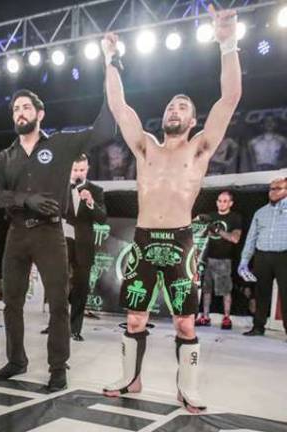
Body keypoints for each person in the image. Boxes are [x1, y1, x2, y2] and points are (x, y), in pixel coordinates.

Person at [101, 5, 242, 413]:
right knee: (134, 320)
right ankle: (131, 378)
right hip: (145, 241)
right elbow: (118, 106)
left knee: (184, 322)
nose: (173, 110)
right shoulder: (145, 146)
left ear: (194, 119)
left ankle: (187, 388)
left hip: (180, 241)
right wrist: (111, 59)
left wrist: (227, 41)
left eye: (182, 106)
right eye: (170, 106)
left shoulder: (199, 149)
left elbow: (230, 97)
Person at [0, 34, 117, 392]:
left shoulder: (60, 145)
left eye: (26, 108)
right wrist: (25, 201)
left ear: (40, 114)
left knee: (59, 302)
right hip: (17, 233)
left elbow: (106, 128)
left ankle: (58, 367)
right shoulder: (6, 156)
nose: (20, 113)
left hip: (48, 233)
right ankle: (17, 360)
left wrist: (111, 65)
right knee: (11, 302)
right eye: (15, 109)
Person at [64, 154, 107, 341]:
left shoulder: (96, 190)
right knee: (57, 284)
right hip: (61, 241)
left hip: (83, 245)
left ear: (87, 169)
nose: (78, 173)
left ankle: (75, 328)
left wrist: (90, 202)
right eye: (75, 170)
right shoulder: (59, 187)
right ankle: (55, 325)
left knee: (80, 286)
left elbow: (102, 218)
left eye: (82, 170)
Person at [238, 177, 287, 336]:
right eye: (271, 189)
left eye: (277, 188)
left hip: (283, 256)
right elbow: (251, 237)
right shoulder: (261, 212)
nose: (272, 192)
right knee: (261, 293)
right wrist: (244, 260)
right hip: (262, 256)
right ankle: (258, 327)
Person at [196, 191, 242, 329]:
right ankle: (205, 316)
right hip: (207, 258)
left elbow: (235, 238)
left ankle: (227, 318)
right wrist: (197, 221)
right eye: (220, 200)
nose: (222, 203)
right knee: (206, 290)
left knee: (225, 290)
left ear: (231, 203)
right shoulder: (210, 216)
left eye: (225, 201)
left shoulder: (235, 217)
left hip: (224, 259)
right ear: (216, 202)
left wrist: (217, 230)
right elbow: (197, 231)